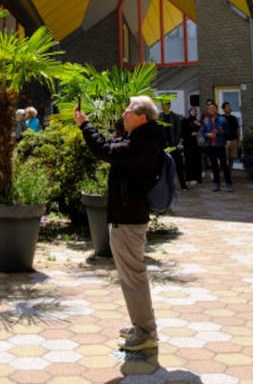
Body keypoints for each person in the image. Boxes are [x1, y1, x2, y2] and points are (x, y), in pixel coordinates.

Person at [75, 95, 164, 352]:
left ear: (141, 117)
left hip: (128, 218)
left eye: (128, 111)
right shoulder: (138, 138)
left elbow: (103, 150)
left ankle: (146, 333)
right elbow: (108, 144)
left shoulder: (142, 144)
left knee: (133, 276)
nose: (123, 114)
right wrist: (87, 124)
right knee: (131, 275)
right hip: (127, 215)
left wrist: (84, 125)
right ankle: (141, 325)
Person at [200, 103, 230, 191]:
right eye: (209, 108)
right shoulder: (205, 120)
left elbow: (228, 133)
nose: (211, 109)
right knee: (214, 166)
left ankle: (229, 183)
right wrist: (207, 134)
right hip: (210, 146)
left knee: (224, 165)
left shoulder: (222, 119)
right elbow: (202, 132)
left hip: (220, 145)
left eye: (213, 108)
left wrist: (222, 132)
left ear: (216, 109)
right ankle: (216, 184)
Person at [159, 101, 189, 190]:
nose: (164, 106)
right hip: (163, 146)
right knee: (163, 167)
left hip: (173, 145)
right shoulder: (159, 117)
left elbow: (178, 131)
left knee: (179, 165)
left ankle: (183, 186)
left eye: (165, 104)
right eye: (162, 104)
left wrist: (175, 144)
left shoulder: (175, 116)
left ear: (169, 105)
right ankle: (165, 186)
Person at [182, 107, 202, 184]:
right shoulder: (186, 121)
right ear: (189, 112)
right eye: (192, 111)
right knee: (188, 161)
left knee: (196, 161)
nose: (193, 112)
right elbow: (182, 132)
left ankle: (196, 178)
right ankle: (188, 178)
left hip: (195, 144)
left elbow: (202, 130)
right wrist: (190, 134)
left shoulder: (197, 121)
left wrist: (199, 125)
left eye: (195, 111)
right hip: (188, 143)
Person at [221, 101, 241, 167]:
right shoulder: (221, 118)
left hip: (233, 140)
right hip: (225, 141)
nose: (229, 108)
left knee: (231, 158)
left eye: (229, 106)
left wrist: (238, 141)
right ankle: (219, 174)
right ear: (223, 109)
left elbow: (237, 130)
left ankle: (229, 175)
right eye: (227, 107)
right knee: (223, 159)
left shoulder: (234, 118)